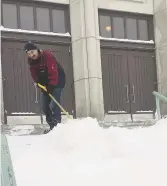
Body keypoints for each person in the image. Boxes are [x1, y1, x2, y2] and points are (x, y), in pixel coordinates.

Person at [24, 41, 66, 134]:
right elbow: (35, 76)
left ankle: (57, 127)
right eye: (29, 53)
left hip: (58, 79)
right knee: (44, 105)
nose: (31, 55)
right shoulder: (31, 62)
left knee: (54, 103)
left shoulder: (47, 55)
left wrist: (51, 85)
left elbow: (53, 71)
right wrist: (40, 84)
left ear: (37, 50)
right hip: (46, 83)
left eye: (32, 52)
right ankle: (52, 127)